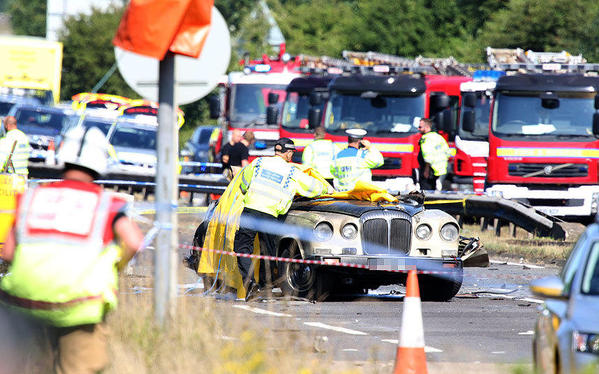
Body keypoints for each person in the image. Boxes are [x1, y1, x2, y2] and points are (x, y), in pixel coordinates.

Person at [0, 126, 144, 373]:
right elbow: (133, 241)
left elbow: (8, 253)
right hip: (80, 306)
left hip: (25, 304)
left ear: (62, 156)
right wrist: (115, 267)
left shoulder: (31, 197)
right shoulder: (107, 204)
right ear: (100, 162)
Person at [234, 137, 333, 300]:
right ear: (288, 153)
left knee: (243, 247)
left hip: (250, 210)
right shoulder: (292, 172)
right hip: (271, 215)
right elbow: (313, 188)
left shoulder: (258, 163)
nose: (292, 157)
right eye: (291, 153)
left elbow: (243, 184)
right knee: (268, 252)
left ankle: (248, 282)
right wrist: (327, 188)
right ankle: (264, 289)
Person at [417, 118, 450, 191]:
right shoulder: (438, 137)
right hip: (438, 170)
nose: (418, 129)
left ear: (427, 127)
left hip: (429, 170)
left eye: (420, 127)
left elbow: (427, 156)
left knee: (425, 192)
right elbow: (447, 152)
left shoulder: (426, 138)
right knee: (433, 189)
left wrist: (426, 170)